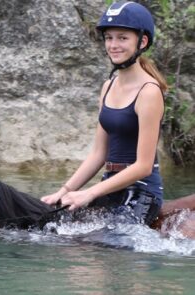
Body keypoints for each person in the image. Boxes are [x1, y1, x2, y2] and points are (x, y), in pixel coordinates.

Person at [40, 1, 168, 226]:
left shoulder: (149, 92)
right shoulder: (108, 86)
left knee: (103, 244)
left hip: (141, 191)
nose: (113, 45)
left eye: (122, 37)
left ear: (143, 41)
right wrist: (65, 191)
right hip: (109, 185)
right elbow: (99, 154)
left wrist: (89, 193)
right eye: (109, 37)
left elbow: (143, 166)